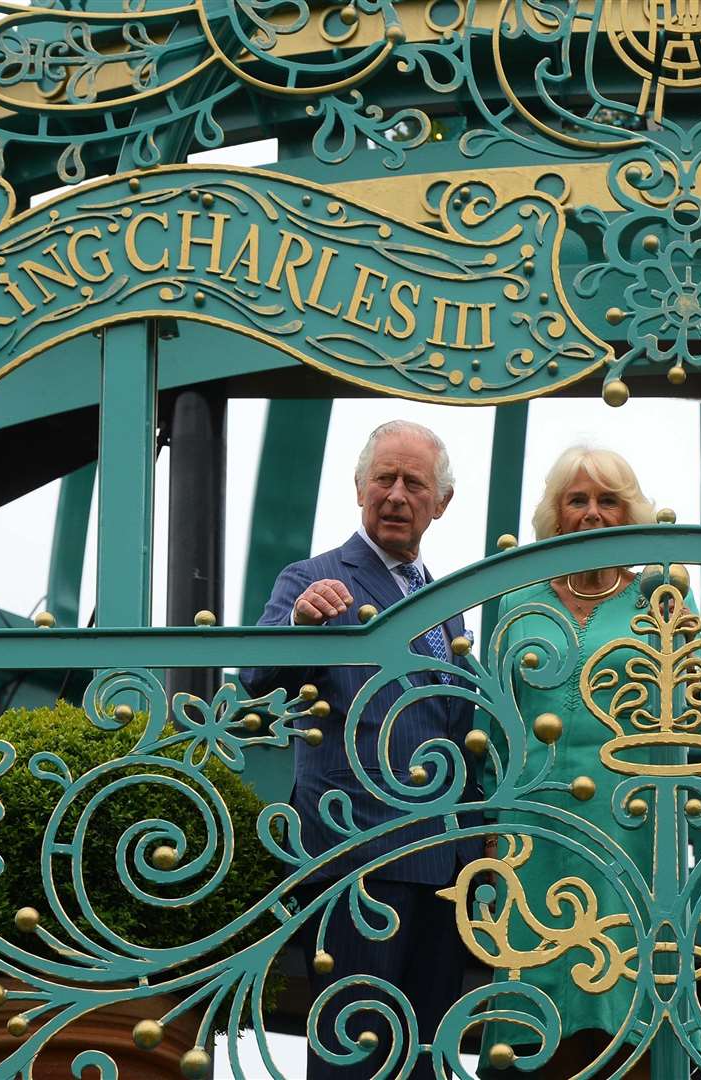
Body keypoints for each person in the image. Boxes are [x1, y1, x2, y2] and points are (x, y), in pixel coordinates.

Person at [242, 419, 479, 1080]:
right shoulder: (313, 578)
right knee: (354, 1052)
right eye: (385, 479)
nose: (397, 495)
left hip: (441, 862)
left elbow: (462, 732)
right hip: (356, 851)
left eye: (414, 483)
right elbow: (256, 677)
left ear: (441, 502)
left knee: (427, 1058)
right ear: (359, 488)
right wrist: (299, 624)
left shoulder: (446, 605)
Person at [478, 446, 669, 1080]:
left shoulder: (662, 602)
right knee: (533, 983)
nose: (592, 513)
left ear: (629, 513)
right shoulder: (517, 601)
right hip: (533, 822)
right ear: (556, 515)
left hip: (631, 823)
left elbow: (692, 724)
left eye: (607, 500)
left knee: (625, 989)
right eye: (577, 500)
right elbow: (491, 726)